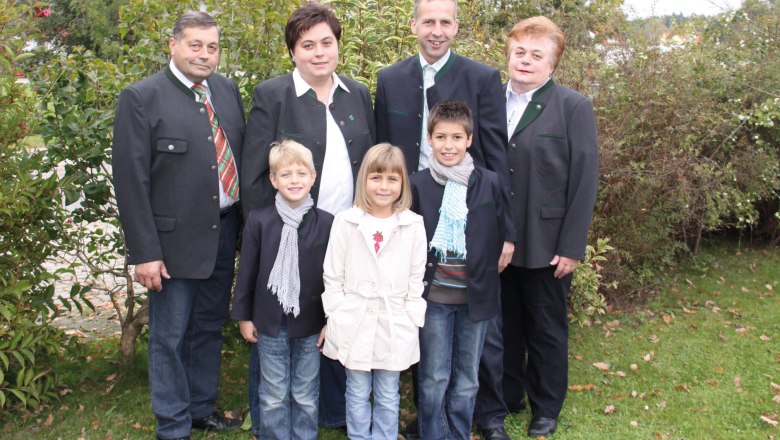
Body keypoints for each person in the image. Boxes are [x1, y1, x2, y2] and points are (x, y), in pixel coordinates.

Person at [374, 3, 514, 438]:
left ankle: (487, 417)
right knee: (424, 324)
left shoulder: (482, 78)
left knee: (479, 338)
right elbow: (382, 153)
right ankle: (426, 422)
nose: (436, 31)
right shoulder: (390, 78)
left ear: (456, 26)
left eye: (445, 22)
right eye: (428, 22)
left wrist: (504, 231)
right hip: (412, 208)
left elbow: (495, 153)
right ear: (414, 25)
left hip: (468, 213)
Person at [240, 4, 375, 431]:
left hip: (345, 229)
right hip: (292, 231)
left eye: (327, 43)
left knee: (330, 315)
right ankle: (269, 419)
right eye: (307, 45)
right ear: (293, 52)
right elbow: (255, 173)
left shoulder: (357, 93)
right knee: (279, 326)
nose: (319, 53)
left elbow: (370, 161)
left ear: (338, 45)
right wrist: (271, 232)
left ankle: (331, 412)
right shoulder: (272, 94)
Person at [112, 11, 244, 440]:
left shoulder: (225, 90)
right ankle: (172, 425)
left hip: (223, 234)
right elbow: (131, 182)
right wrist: (144, 252)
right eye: (195, 45)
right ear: (173, 45)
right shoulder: (141, 98)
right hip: (170, 246)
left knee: (207, 325)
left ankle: (200, 408)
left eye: (212, 47)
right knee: (169, 336)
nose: (205, 55)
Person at [500, 16, 599, 437]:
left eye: (536, 55)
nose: (525, 60)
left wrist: (573, 244)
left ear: (552, 64)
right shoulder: (490, 99)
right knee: (503, 325)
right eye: (519, 51)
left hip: (547, 240)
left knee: (545, 327)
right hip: (498, 238)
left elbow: (585, 177)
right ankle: (508, 394)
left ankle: (546, 407)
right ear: (508, 54)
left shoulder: (573, 106)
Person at [409, 100, 513, 440]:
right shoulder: (418, 184)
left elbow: (503, 225)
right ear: (429, 140)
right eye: (441, 137)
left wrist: (504, 247)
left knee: (467, 377)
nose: (448, 145)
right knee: (434, 376)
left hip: (476, 298)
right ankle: (433, 435)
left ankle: (457, 432)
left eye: (457, 137)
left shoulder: (490, 183)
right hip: (435, 297)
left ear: (469, 139)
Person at [319, 144, 428, 440]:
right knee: (355, 389)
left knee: (388, 391)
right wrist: (337, 313)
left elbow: (417, 278)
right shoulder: (346, 221)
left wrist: (411, 316)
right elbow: (333, 273)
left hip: (395, 320)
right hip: (353, 317)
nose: (384, 186)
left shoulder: (413, 225)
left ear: (403, 183)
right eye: (376, 178)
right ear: (364, 180)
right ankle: (358, 436)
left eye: (392, 179)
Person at [231, 140, 334, 439]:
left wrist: (331, 320)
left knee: (304, 393)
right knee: (274, 394)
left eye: (301, 173)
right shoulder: (259, 221)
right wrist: (244, 316)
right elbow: (247, 272)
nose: (294, 180)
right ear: (273, 180)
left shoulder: (327, 223)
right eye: (286, 174)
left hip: (312, 323)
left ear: (313, 177)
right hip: (269, 322)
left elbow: (334, 278)